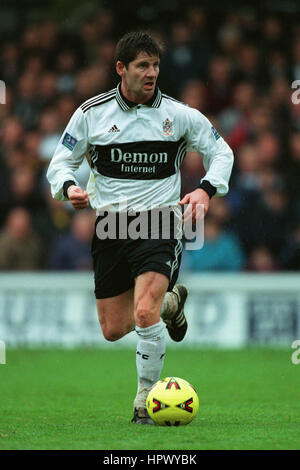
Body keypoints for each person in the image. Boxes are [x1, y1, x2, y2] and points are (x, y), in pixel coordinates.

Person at [47, 32, 233, 424]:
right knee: (114, 329)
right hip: (111, 225)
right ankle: (172, 304)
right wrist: (69, 188)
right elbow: (59, 163)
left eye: (156, 66)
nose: (151, 74)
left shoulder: (179, 115)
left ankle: (144, 400)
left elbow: (221, 151)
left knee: (144, 312)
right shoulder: (91, 114)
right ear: (121, 69)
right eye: (142, 66)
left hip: (159, 221)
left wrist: (204, 191)